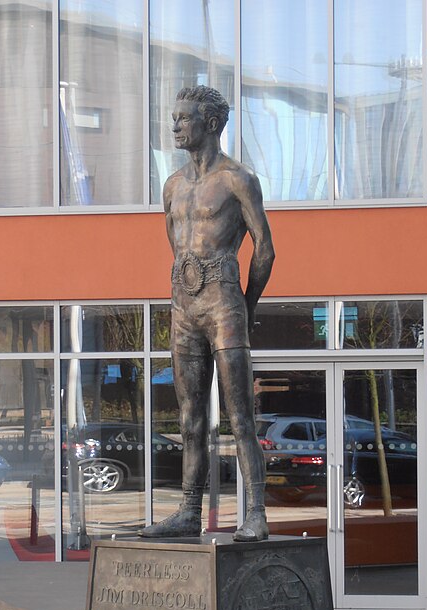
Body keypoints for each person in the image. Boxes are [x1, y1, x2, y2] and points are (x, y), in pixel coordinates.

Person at [140, 86, 275, 542]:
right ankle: (187, 511)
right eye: (173, 118)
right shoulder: (172, 186)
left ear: (211, 123)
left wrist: (246, 305)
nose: (175, 126)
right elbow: (176, 246)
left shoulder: (239, 179)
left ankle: (254, 513)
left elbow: (265, 251)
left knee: (240, 417)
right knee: (189, 418)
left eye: (183, 118)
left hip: (223, 302)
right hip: (184, 306)